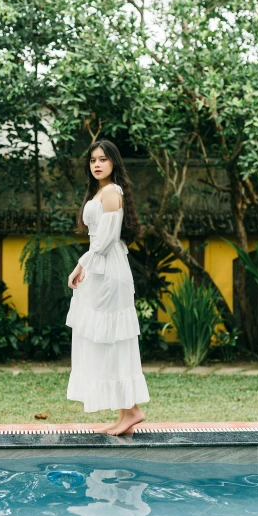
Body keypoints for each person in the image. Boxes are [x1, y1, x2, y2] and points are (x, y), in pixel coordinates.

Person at [66, 139, 150, 435]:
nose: (97, 164)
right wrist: (83, 266)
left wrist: (81, 264)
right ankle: (127, 412)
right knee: (105, 340)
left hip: (107, 272)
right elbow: (98, 241)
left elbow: (105, 240)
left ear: (114, 162)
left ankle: (131, 410)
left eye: (103, 159)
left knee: (112, 340)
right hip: (99, 267)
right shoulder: (101, 192)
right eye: (92, 160)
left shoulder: (112, 193)